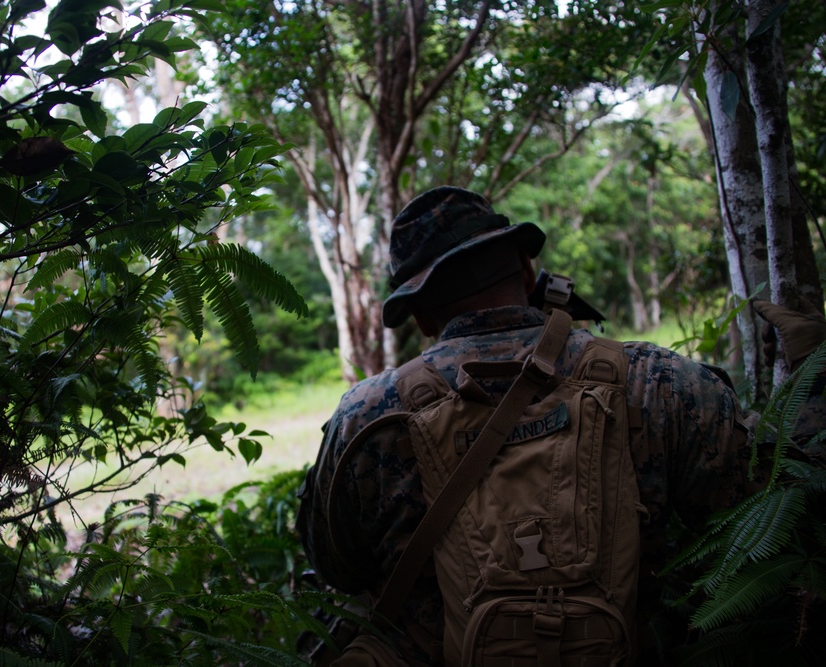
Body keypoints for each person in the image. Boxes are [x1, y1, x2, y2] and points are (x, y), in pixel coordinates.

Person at [296, 186, 826, 666]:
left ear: (421, 317)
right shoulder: (660, 383)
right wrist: (812, 381)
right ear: (528, 274)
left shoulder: (367, 417)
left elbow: (336, 569)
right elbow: (786, 506)